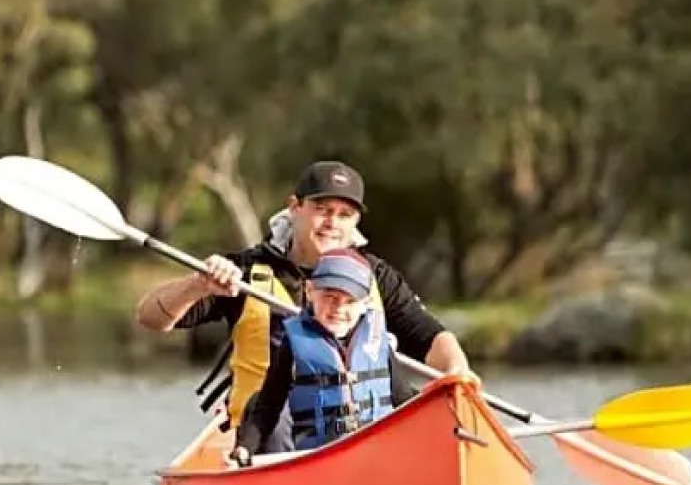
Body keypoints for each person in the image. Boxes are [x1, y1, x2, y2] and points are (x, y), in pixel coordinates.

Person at [134, 160, 478, 451]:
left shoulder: (374, 276)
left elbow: (429, 337)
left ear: (356, 223)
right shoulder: (243, 272)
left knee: (433, 413)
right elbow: (150, 317)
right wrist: (197, 284)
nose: (332, 223)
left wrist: (458, 373)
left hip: (360, 435)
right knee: (272, 415)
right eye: (322, 209)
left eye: (344, 214)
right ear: (294, 207)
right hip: (267, 438)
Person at [231, 248, 414, 464]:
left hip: (377, 456)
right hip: (320, 459)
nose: (338, 309)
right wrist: (244, 450)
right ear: (310, 291)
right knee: (256, 404)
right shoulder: (293, 344)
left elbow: (405, 401)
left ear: (365, 304)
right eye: (330, 297)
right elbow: (267, 407)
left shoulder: (377, 341)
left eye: (350, 301)